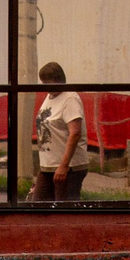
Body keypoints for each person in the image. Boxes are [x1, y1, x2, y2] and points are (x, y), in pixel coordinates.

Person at [31, 64, 85, 202]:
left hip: (68, 167)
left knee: (63, 209)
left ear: (58, 80)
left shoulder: (69, 99)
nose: (45, 87)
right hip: (48, 166)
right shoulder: (50, 97)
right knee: (38, 206)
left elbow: (75, 133)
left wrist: (64, 166)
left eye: (47, 83)